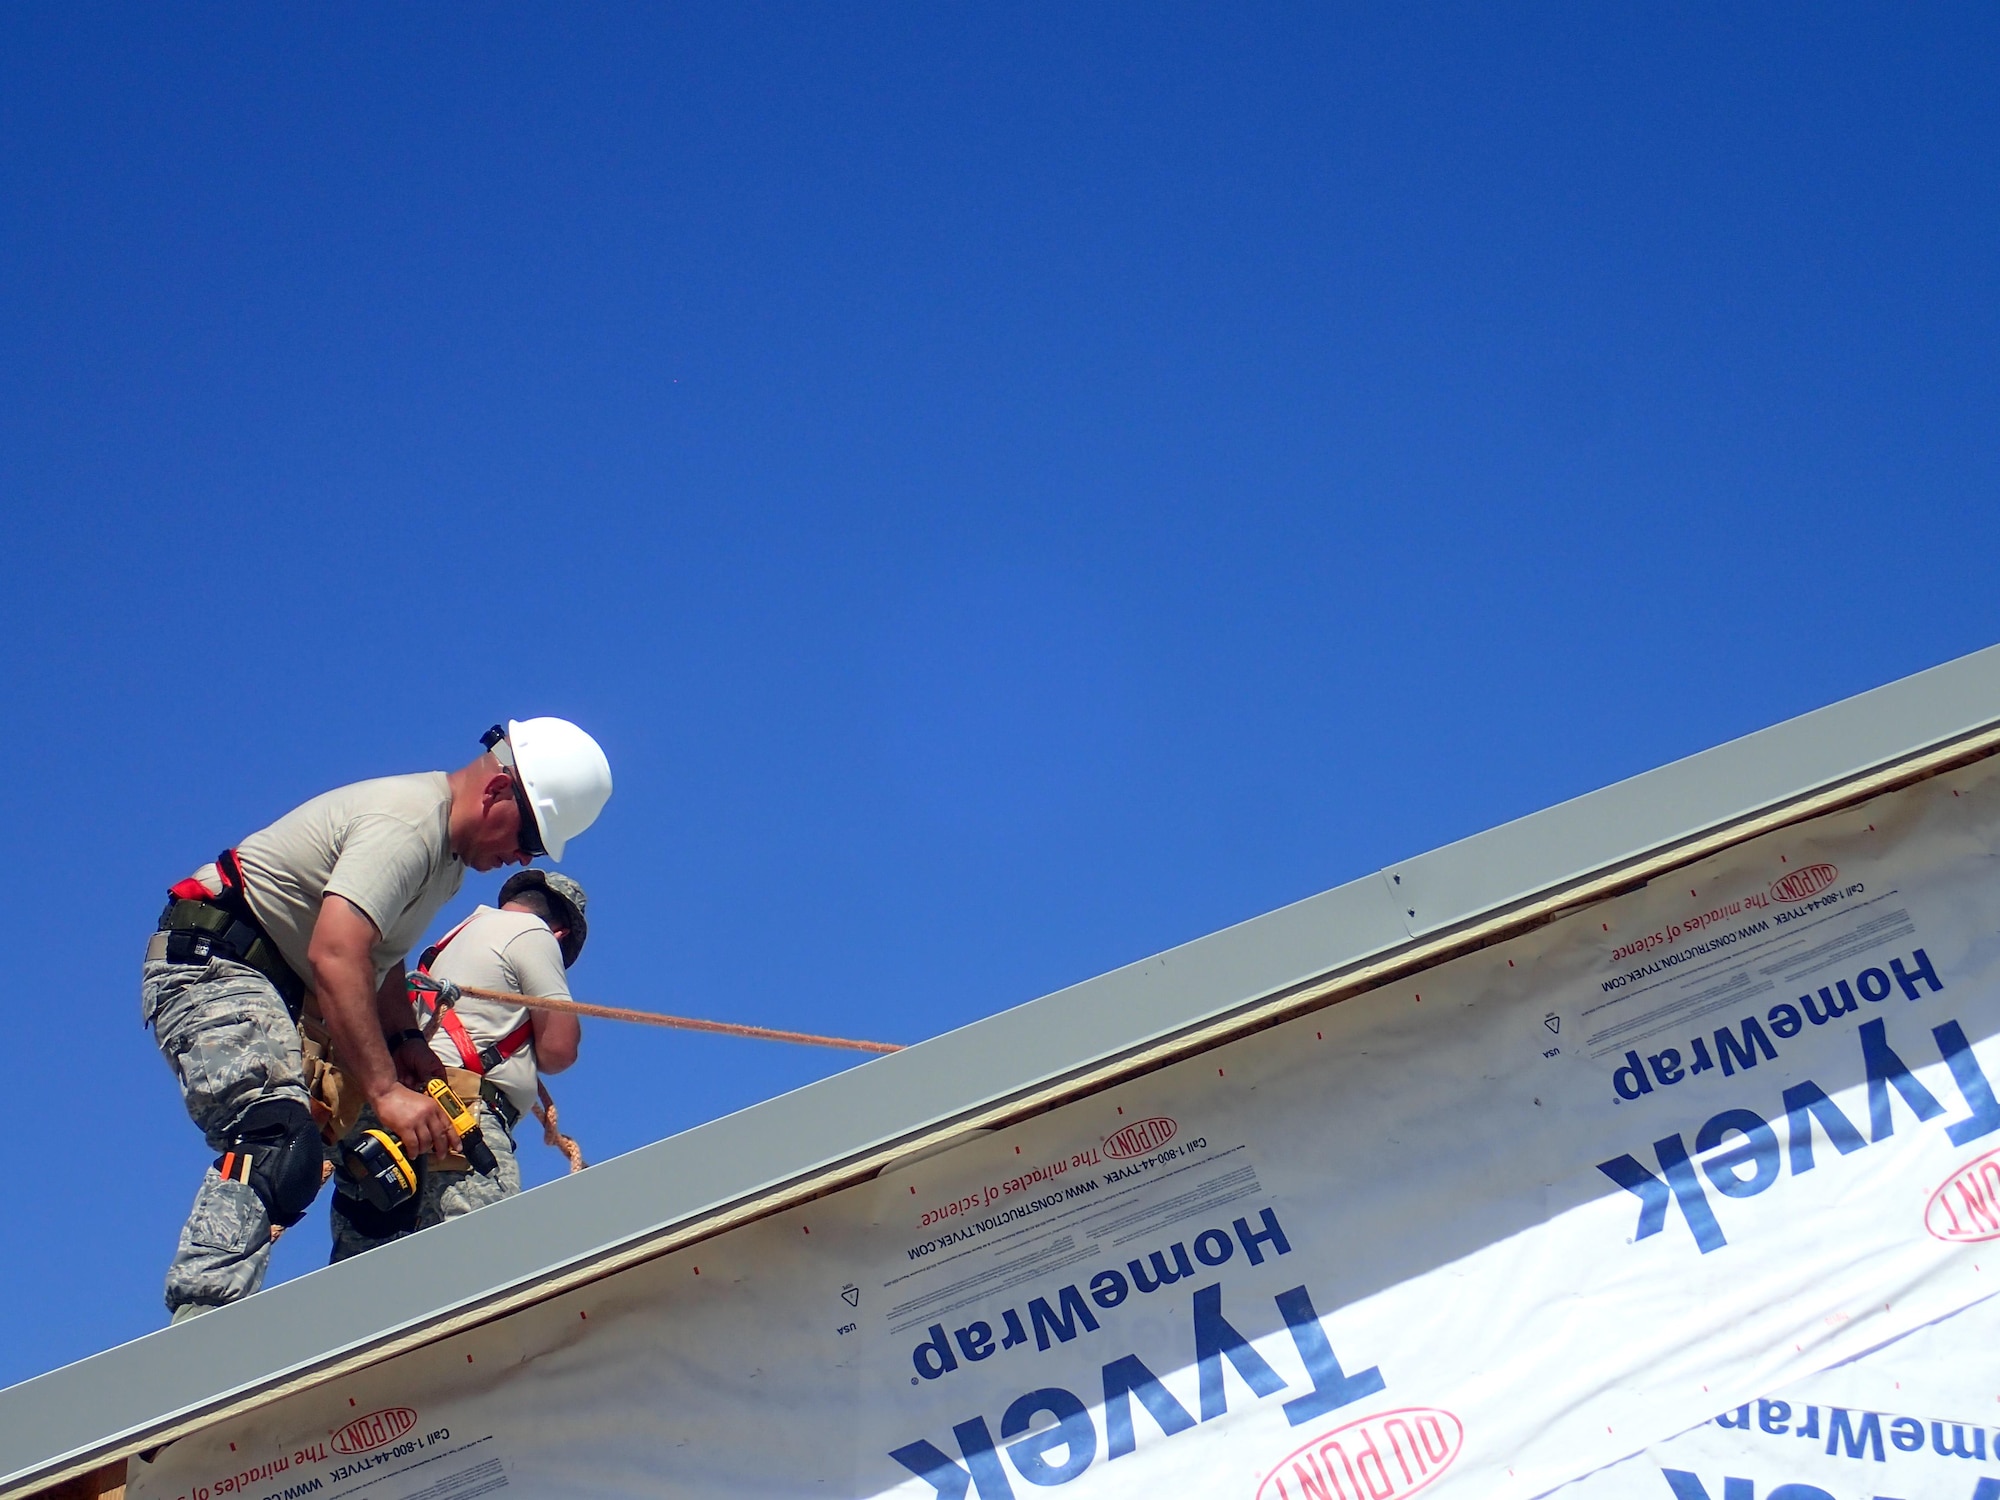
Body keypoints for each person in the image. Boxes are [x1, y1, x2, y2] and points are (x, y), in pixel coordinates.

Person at [143, 718, 612, 1320]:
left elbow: (381, 961)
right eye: (528, 837)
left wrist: (405, 1039)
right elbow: (337, 953)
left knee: (357, 1169)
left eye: (536, 852)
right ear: (497, 792)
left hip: (263, 976)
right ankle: (198, 1327)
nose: (520, 855)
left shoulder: (446, 864)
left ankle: (342, 1328)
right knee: (277, 1137)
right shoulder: (410, 825)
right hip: (215, 963)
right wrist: (386, 1090)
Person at [329, 869, 590, 1258]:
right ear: (562, 934)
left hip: (395, 1116)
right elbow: (559, 1050)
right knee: (482, 1262)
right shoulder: (534, 934)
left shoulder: (448, 943)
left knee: (377, 1273)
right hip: (459, 1119)